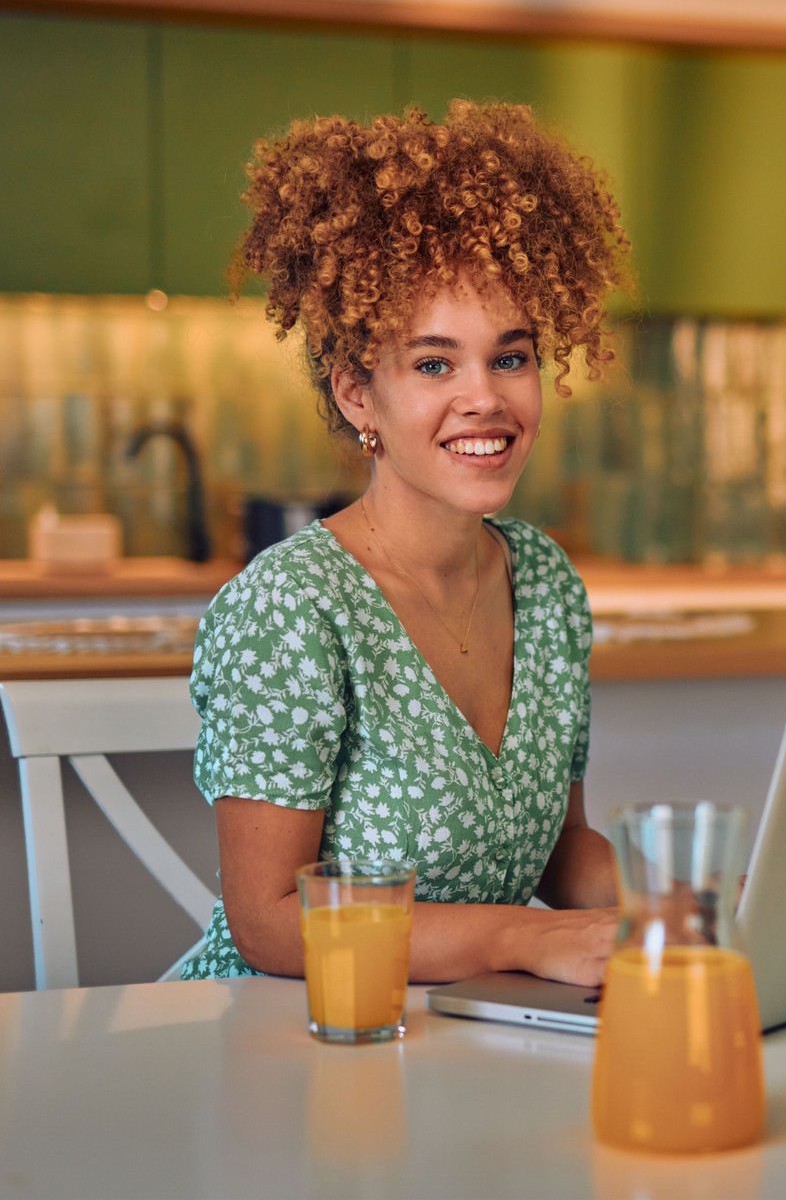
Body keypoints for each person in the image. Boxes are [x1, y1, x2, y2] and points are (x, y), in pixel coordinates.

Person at [178, 100, 631, 987]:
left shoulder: (543, 580)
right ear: (357, 395)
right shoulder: (291, 608)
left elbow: (555, 848)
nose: (486, 399)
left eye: (511, 356)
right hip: (281, 1046)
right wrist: (521, 941)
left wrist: (693, 900)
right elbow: (271, 925)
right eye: (434, 364)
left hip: (453, 1043)